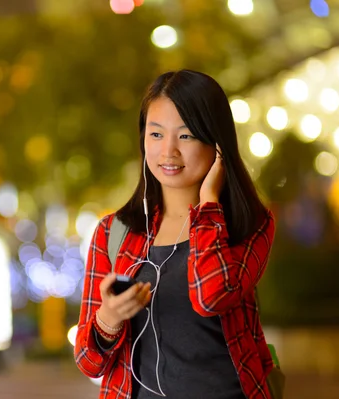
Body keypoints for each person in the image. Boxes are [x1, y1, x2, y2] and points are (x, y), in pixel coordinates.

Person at [74, 70, 276, 399]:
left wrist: (209, 206)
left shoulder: (249, 223)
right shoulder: (114, 233)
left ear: (217, 143)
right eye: (156, 135)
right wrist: (109, 319)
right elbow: (88, 363)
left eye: (185, 136)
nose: (168, 151)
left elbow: (212, 297)